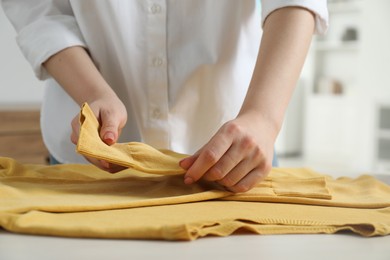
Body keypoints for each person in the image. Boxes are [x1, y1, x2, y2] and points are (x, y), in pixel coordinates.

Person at [2, 1, 328, 192]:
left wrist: (263, 117)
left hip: (238, 161)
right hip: (90, 167)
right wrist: (94, 93)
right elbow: (39, 10)